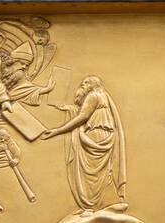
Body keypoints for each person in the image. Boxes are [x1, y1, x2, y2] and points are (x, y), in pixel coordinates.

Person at [41, 76, 127, 214]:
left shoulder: (93, 96)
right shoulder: (102, 96)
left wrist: (57, 131)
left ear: (93, 86)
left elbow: (83, 117)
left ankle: (92, 206)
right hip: (102, 135)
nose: (82, 85)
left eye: (86, 83)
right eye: (82, 82)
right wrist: (69, 108)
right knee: (101, 172)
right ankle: (99, 204)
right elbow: (85, 112)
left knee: (91, 174)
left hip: (96, 136)